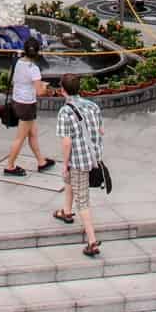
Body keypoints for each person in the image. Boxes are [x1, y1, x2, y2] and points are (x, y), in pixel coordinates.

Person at [53, 73, 104, 257]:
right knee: (68, 180)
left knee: (82, 201)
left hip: (80, 161)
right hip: (94, 156)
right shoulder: (92, 106)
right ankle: (66, 211)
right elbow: (101, 130)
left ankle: (92, 241)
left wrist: (65, 163)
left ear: (62, 90)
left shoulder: (65, 112)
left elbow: (67, 143)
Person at [0, 38, 54, 176]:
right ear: (37, 52)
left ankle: (41, 162)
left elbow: (12, 80)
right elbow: (39, 92)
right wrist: (47, 89)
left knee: (33, 133)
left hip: (16, 100)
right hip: (27, 105)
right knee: (20, 137)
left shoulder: (17, 62)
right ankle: (10, 166)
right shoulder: (34, 69)